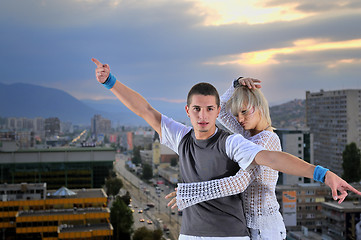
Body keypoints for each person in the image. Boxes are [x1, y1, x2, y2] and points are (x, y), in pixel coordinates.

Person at [91, 58, 361, 240]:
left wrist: (322, 174)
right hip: (190, 234)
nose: (203, 116)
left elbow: (270, 159)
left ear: (217, 110)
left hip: (238, 233)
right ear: (188, 111)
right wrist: (110, 82)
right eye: (196, 109)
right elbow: (145, 110)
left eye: (210, 109)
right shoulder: (181, 137)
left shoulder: (234, 142)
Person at [166, 77, 286, 239]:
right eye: (237, 114)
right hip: (247, 225)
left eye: (244, 112)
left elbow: (239, 183)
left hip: (265, 229)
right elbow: (220, 110)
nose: (240, 119)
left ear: (259, 107)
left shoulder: (266, 139)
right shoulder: (247, 133)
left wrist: (190, 193)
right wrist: (236, 84)